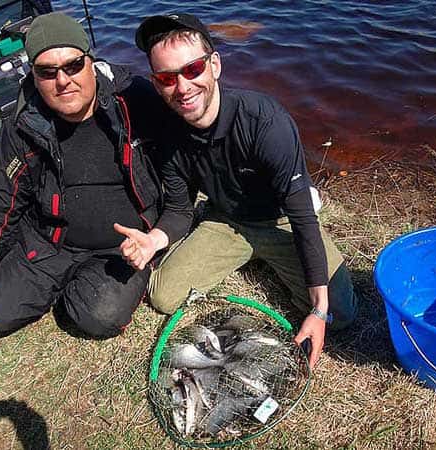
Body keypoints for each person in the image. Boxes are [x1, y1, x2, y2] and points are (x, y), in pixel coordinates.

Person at [115, 13, 357, 368]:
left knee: (341, 313)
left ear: (214, 65)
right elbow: (180, 209)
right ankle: (243, 254)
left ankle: (283, 269)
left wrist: (319, 310)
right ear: (156, 83)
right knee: (163, 295)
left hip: (281, 221)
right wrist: (153, 240)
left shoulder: (264, 121)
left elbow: (303, 218)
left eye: (192, 69)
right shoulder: (167, 134)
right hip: (225, 220)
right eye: (168, 78)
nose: (182, 87)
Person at [0, 12, 163, 339]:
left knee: (99, 317)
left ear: (91, 63)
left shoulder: (135, 99)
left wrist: (161, 233)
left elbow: (187, 149)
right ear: (34, 77)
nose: (63, 80)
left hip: (122, 246)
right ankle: (41, 275)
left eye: (73, 65)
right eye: (47, 72)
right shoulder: (22, 126)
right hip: (51, 241)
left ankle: (89, 287)